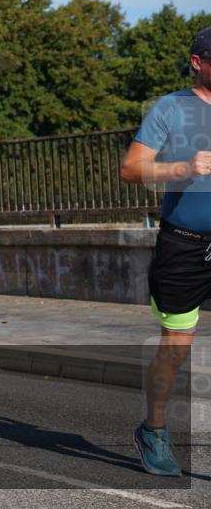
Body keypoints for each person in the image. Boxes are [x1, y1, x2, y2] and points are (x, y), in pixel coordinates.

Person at [120, 26, 211, 477]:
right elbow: (131, 169)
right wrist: (184, 166)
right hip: (185, 246)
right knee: (176, 348)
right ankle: (152, 429)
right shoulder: (171, 108)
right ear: (198, 61)